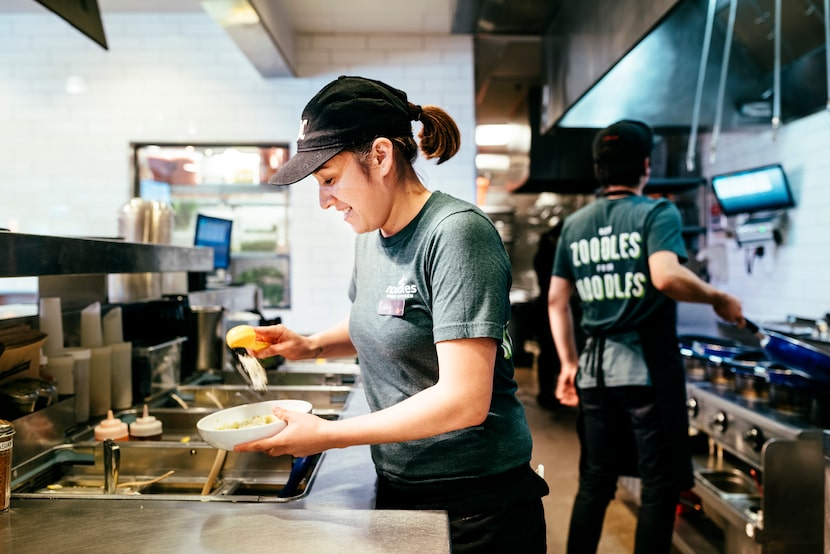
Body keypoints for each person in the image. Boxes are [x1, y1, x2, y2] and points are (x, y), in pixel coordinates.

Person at [235, 76, 549, 553]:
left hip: (476, 508)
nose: (324, 201)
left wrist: (329, 435)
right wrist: (311, 344)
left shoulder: (456, 235)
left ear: (380, 156)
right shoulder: (371, 234)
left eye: (329, 179)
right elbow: (383, 317)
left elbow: (465, 399)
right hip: (403, 489)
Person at [547, 119, 744, 554]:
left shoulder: (576, 224)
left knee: (595, 482)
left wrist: (568, 363)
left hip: (596, 376)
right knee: (659, 486)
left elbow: (557, 300)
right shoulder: (657, 212)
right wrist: (718, 298)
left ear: (599, 169)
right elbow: (666, 277)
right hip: (646, 373)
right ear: (646, 167)